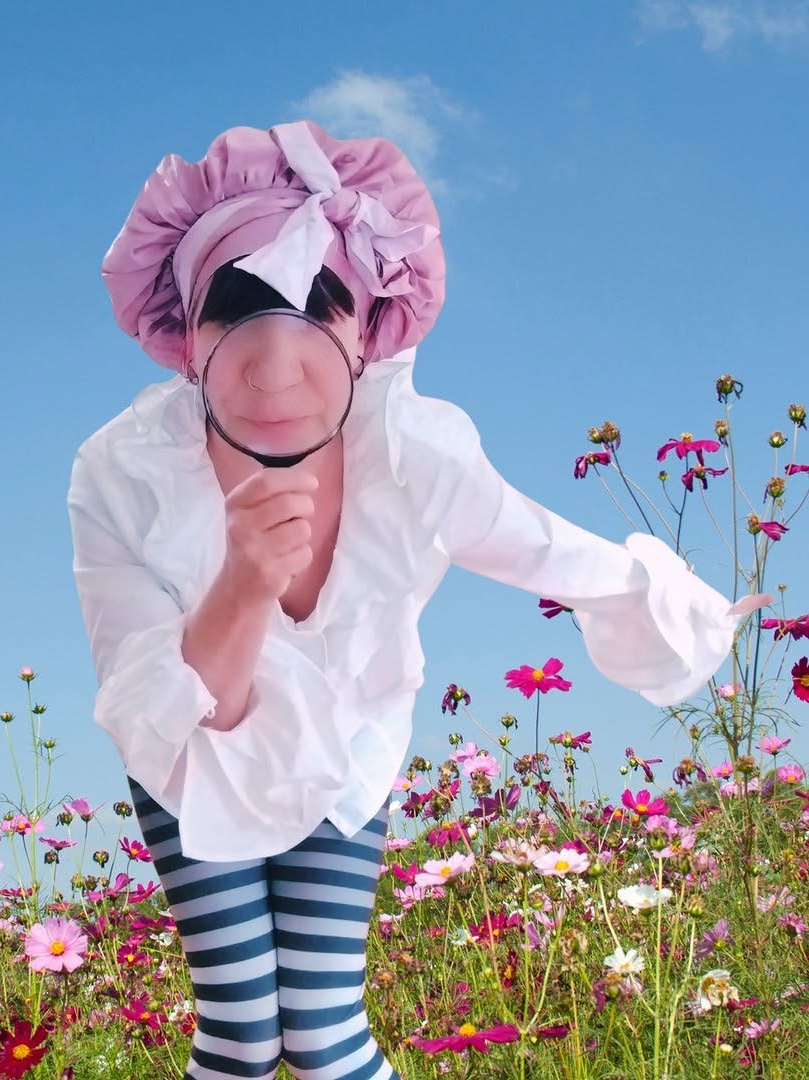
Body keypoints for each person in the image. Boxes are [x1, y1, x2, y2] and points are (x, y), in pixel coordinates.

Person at [67, 120, 764, 1080]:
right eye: (233, 311)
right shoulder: (123, 475)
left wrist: (693, 610)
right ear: (185, 339)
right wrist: (240, 584)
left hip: (349, 752)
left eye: (319, 305)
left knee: (320, 1031)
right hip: (188, 759)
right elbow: (172, 706)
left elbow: (554, 553)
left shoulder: (416, 456)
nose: (276, 365)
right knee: (238, 1031)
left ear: (367, 330)